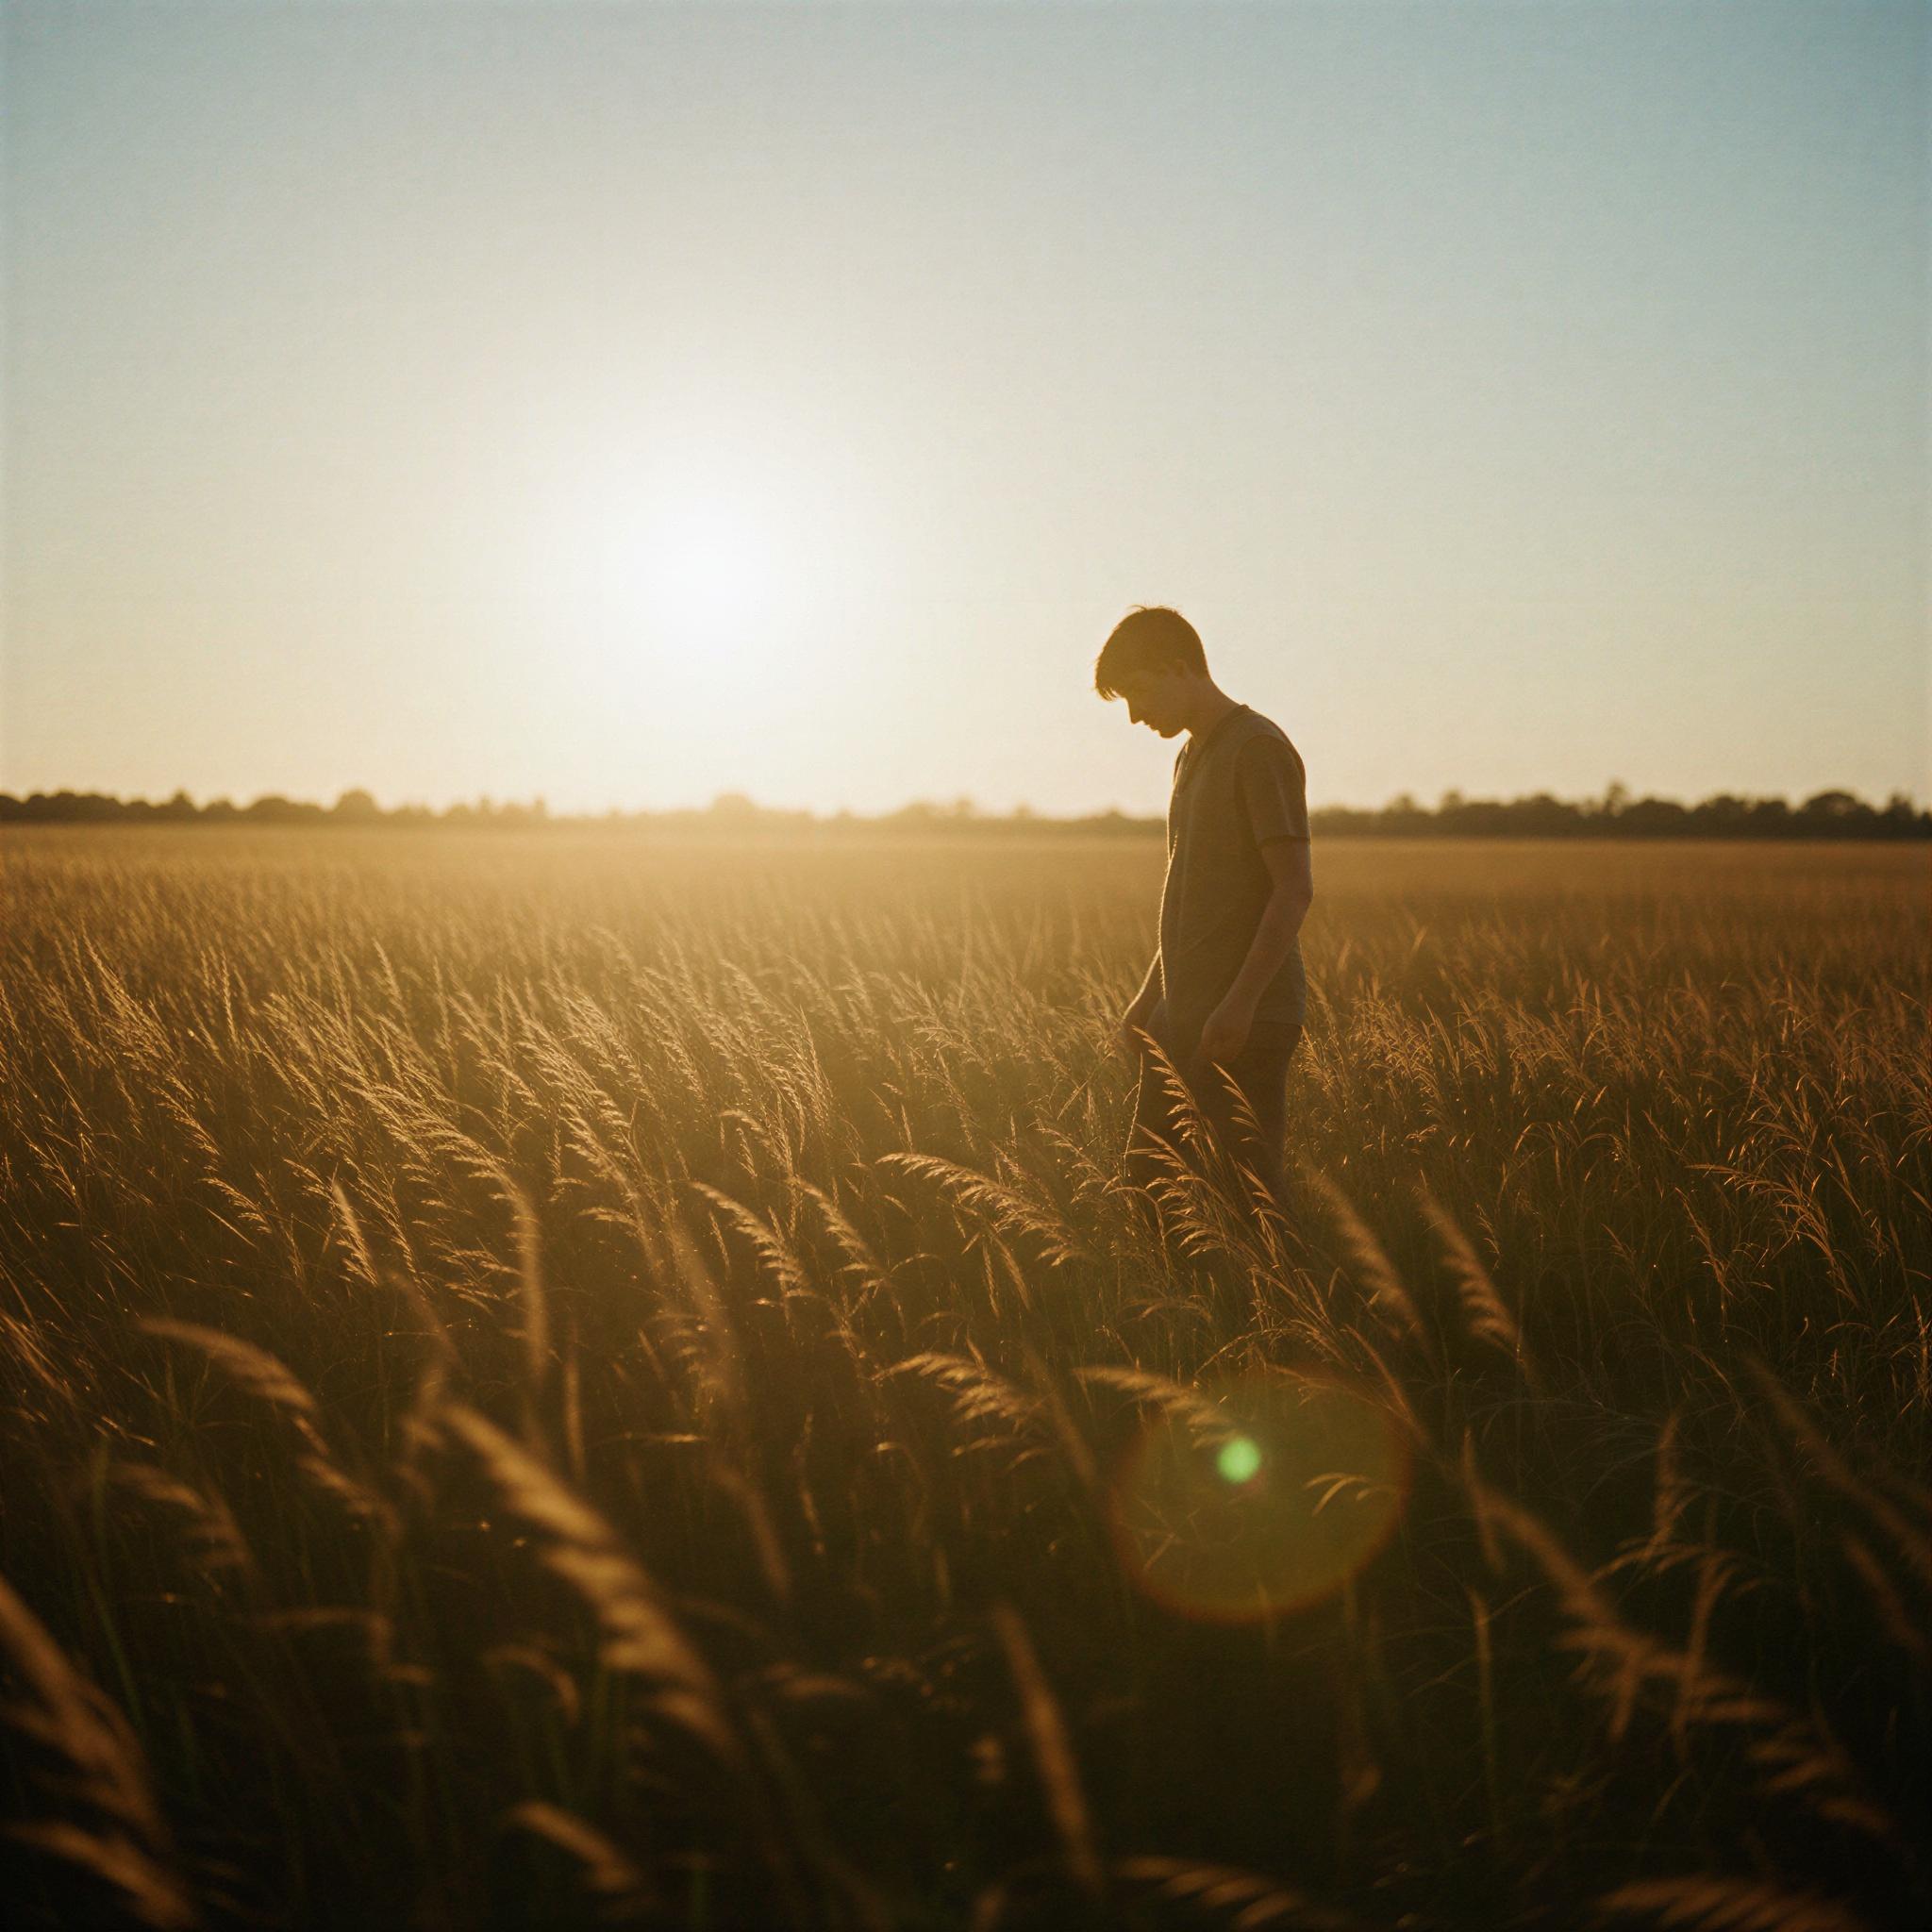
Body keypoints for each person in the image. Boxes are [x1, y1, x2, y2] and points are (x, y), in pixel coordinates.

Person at [1094, 606, 1314, 1209]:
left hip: (1247, 1018)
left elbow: (1293, 889)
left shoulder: (1258, 749)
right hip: (1182, 1011)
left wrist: (1240, 1004)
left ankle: (1293, 1301)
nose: (1137, 716)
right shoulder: (1190, 756)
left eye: (1139, 692)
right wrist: (1147, 1003)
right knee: (1148, 1187)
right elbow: (1189, 896)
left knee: (1252, 1201)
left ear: (1178, 666)